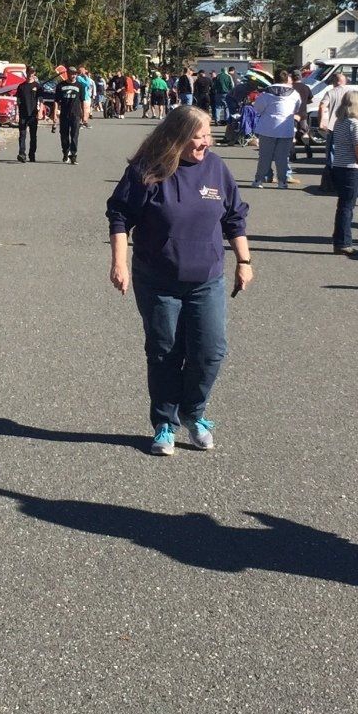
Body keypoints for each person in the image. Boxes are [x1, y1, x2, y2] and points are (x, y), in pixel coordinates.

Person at [106, 104, 251, 455]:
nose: (206, 142)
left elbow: (234, 217)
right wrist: (119, 263)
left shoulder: (216, 168)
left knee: (210, 350)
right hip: (158, 279)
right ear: (177, 137)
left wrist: (244, 260)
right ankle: (164, 424)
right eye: (198, 136)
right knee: (164, 352)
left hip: (207, 278)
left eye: (208, 134)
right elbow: (120, 216)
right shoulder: (147, 170)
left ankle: (193, 412)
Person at [328, 88, 358, 254]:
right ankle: (343, 242)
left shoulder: (339, 122)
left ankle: (339, 239)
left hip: (338, 165)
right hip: (350, 168)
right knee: (347, 207)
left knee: (343, 206)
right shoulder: (355, 124)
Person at [250, 73, 303, 188]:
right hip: (285, 129)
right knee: (283, 157)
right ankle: (282, 182)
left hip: (267, 128)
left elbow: (257, 109)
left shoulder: (265, 93)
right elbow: (296, 108)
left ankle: (259, 180)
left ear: (274, 79)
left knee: (265, 156)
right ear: (287, 80)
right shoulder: (294, 94)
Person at [308, 70, 351, 191]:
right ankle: (344, 180)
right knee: (346, 153)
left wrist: (321, 122)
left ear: (335, 82)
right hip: (348, 127)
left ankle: (331, 182)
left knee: (332, 154)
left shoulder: (330, 92)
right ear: (344, 81)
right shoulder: (352, 93)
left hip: (333, 126)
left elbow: (322, 106)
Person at [55, 68, 87, 163]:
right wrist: (55, 115)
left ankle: (73, 155)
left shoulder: (80, 85)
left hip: (76, 114)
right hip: (64, 114)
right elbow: (56, 101)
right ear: (68, 74)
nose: (73, 76)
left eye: (75, 74)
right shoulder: (60, 85)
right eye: (72, 74)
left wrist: (84, 115)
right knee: (64, 135)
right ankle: (65, 152)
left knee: (74, 135)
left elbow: (83, 101)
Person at [15, 72, 45, 162]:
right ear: (26, 74)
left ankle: (32, 154)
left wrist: (40, 112)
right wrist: (16, 114)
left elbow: (41, 101)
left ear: (34, 74)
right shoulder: (21, 86)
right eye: (29, 73)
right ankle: (22, 154)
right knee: (22, 135)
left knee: (33, 136)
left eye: (32, 73)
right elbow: (17, 101)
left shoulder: (38, 86)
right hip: (23, 114)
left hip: (33, 114)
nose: (30, 75)